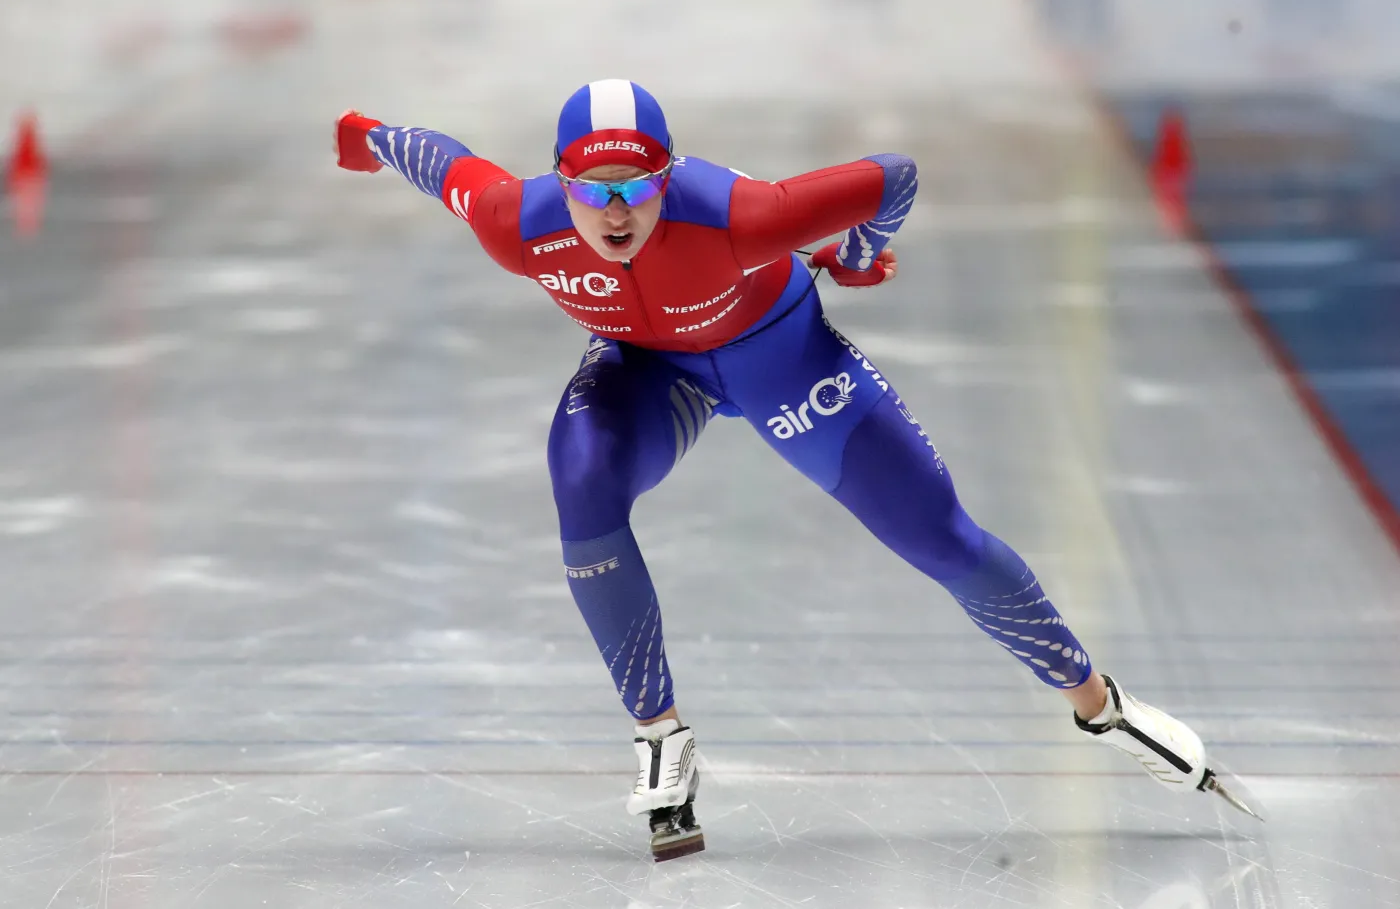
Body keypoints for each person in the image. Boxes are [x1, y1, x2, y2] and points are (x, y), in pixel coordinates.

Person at [334, 79, 1258, 860]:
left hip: (787, 363)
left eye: (639, 186)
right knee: (578, 475)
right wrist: (369, 137)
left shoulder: (741, 216)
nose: (615, 212)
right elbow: (441, 162)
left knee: (941, 541)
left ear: (668, 174)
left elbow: (894, 177)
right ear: (558, 179)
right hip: (651, 372)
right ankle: (662, 737)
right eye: (593, 188)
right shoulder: (514, 223)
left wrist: (852, 258)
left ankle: (1100, 704)